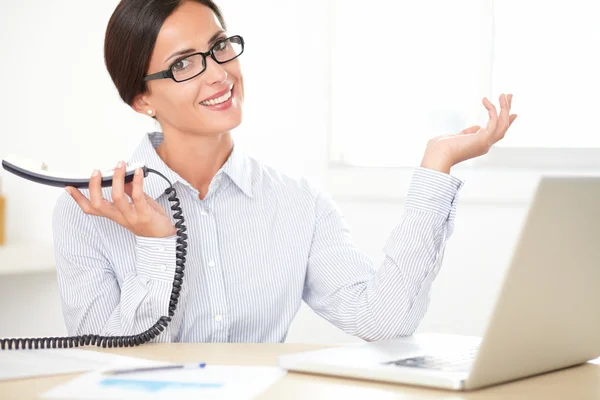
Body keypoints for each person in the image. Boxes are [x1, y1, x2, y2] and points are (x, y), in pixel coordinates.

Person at [54, 0, 517, 343]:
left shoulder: (298, 202)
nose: (218, 74)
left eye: (218, 47)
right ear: (142, 100)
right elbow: (108, 362)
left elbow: (384, 322)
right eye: (184, 64)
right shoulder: (86, 212)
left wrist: (436, 170)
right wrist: (157, 245)